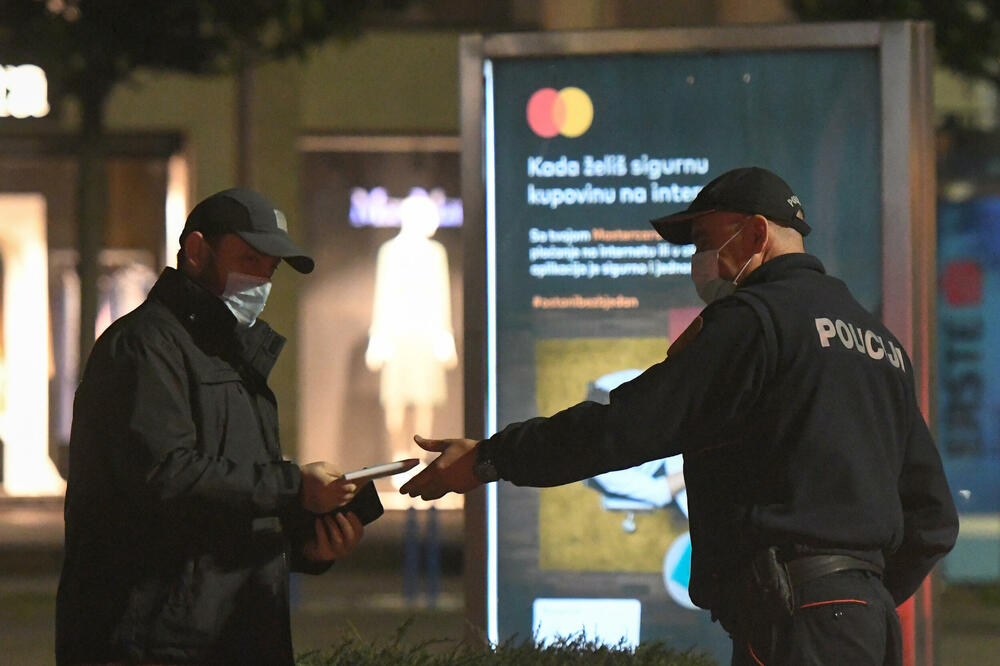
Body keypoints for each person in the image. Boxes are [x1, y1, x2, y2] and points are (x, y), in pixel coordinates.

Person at [400, 167, 959, 665]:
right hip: (865, 623)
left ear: (757, 234)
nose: (698, 260)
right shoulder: (879, 343)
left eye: (705, 240)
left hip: (796, 625)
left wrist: (491, 457)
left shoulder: (753, 321)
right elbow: (933, 520)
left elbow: (627, 426)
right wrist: (860, 594)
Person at [57, 188, 366, 665]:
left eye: (272, 267)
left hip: (229, 633)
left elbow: (230, 502)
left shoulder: (233, 352)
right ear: (196, 250)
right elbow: (165, 477)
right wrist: (292, 487)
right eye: (249, 258)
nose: (262, 278)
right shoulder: (143, 347)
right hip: (155, 642)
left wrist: (307, 544)